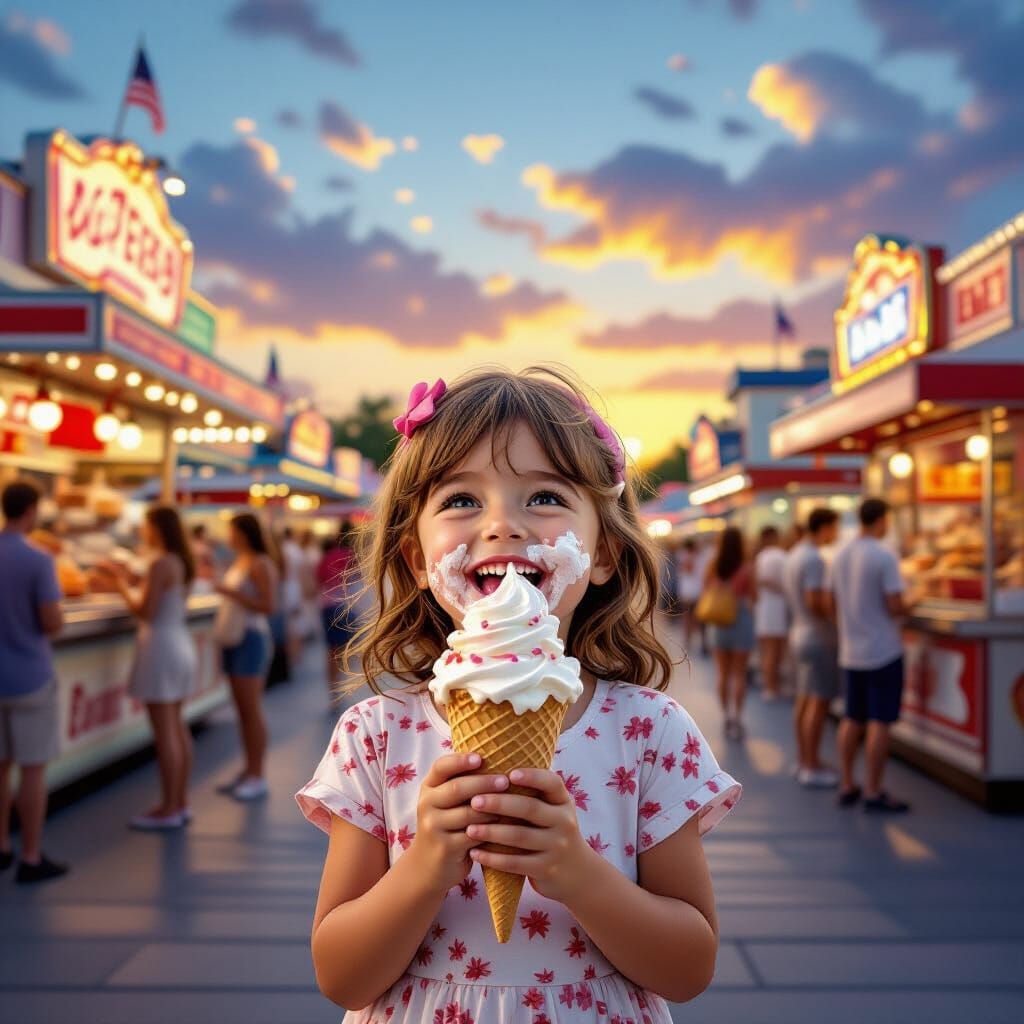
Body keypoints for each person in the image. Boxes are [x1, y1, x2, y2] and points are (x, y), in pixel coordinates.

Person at [296, 368, 741, 1023]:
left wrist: (578, 873)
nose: (503, 523)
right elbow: (340, 975)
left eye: (544, 497)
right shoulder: (376, 734)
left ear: (605, 553)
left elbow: (687, 968)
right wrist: (422, 868)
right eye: (461, 501)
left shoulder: (651, 732)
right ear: (418, 561)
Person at [102, 507, 198, 829]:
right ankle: (179, 802)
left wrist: (120, 586)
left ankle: (168, 807)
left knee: (165, 732)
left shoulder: (160, 562)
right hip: (179, 644)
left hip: (159, 648)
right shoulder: (182, 562)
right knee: (177, 727)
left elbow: (146, 611)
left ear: (156, 528)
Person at [0, 481, 68, 883]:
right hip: (30, 677)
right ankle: (29, 854)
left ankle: (1, 846)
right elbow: (52, 621)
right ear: (32, 511)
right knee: (32, 769)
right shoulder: (39, 560)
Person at [831, 498, 914, 812]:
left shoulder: (841, 555)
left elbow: (830, 602)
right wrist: (913, 601)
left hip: (851, 651)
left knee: (852, 717)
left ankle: (848, 782)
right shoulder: (884, 555)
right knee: (879, 721)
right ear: (882, 520)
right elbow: (895, 605)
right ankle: (874, 790)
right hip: (883, 651)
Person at [214, 513, 279, 801]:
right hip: (238, 638)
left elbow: (268, 605)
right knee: (243, 710)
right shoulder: (242, 561)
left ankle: (257, 774)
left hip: (250, 638)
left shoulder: (259, 563)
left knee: (250, 710)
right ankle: (249, 770)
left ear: (242, 532)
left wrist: (231, 593)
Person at [783, 508, 841, 788]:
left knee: (804, 700)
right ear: (826, 527)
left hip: (798, 633)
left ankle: (803, 759)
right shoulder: (814, 559)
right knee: (818, 703)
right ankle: (811, 764)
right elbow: (815, 601)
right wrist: (836, 619)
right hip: (817, 636)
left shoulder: (795, 554)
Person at [705, 526, 755, 740]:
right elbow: (754, 596)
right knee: (739, 674)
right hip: (741, 621)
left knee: (723, 674)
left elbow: (705, 589)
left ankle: (726, 715)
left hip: (718, 624)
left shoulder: (713, 565)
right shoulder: (747, 568)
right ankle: (737, 716)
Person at [316, 521, 358, 696]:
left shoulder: (327, 556)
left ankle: (333, 685)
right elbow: (358, 581)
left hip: (327, 605)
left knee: (331, 649)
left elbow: (319, 579)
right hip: (346, 606)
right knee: (345, 649)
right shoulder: (352, 556)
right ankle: (340, 686)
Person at [753, 525, 789, 701]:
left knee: (768, 650)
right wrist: (784, 589)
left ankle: (770, 685)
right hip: (776, 609)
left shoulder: (761, 556)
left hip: (765, 608)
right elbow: (766, 580)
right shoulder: (779, 556)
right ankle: (771, 686)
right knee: (774, 651)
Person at [674, 538, 704, 653]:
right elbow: (689, 570)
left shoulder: (682, 556)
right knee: (690, 618)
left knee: (688, 618)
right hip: (692, 591)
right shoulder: (687, 556)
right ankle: (688, 640)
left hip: (688, 591)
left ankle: (688, 641)